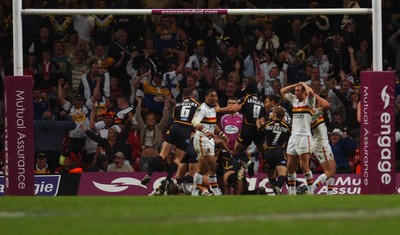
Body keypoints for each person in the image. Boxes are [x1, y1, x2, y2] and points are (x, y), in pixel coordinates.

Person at [141, 88, 200, 186]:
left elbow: (173, 118)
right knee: (177, 159)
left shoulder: (177, 105)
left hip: (175, 127)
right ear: (192, 96)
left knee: (162, 154)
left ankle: (148, 174)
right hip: (186, 130)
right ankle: (168, 180)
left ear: (183, 96)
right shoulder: (198, 105)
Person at [190, 88, 232, 196]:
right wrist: (204, 130)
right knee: (212, 167)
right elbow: (194, 121)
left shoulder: (213, 108)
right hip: (202, 139)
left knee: (201, 169)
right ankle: (216, 192)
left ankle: (194, 193)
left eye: (216, 96)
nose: (214, 98)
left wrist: (222, 134)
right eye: (212, 96)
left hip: (209, 140)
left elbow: (213, 124)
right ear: (206, 97)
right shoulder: (202, 108)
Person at [280, 82, 316, 195]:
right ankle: (291, 192)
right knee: (290, 165)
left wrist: (304, 85)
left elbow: (310, 92)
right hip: (293, 136)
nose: (295, 92)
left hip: (305, 136)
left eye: (298, 90)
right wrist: (295, 84)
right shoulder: (295, 101)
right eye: (295, 90)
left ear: (303, 92)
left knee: (303, 165)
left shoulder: (310, 102)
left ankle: (311, 192)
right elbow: (282, 91)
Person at [258, 107, 291, 195]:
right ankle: (278, 187)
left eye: (272, 112)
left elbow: (260, 130)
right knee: (282, 175)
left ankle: (276, 188)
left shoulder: (268, 124)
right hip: (280, 151)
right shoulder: (286, 126)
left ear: (275, 114)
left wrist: (258, 124)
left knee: (271, 176)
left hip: (269, 152)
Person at [310, 94, 337, 195]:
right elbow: (326, 105)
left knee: (333, 168)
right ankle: (311, 188)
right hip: (321, 144)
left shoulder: (314, 112)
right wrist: (315, 95)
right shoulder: (313, 113)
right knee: (329, 171)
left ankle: (330, 192)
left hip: (323, 142)